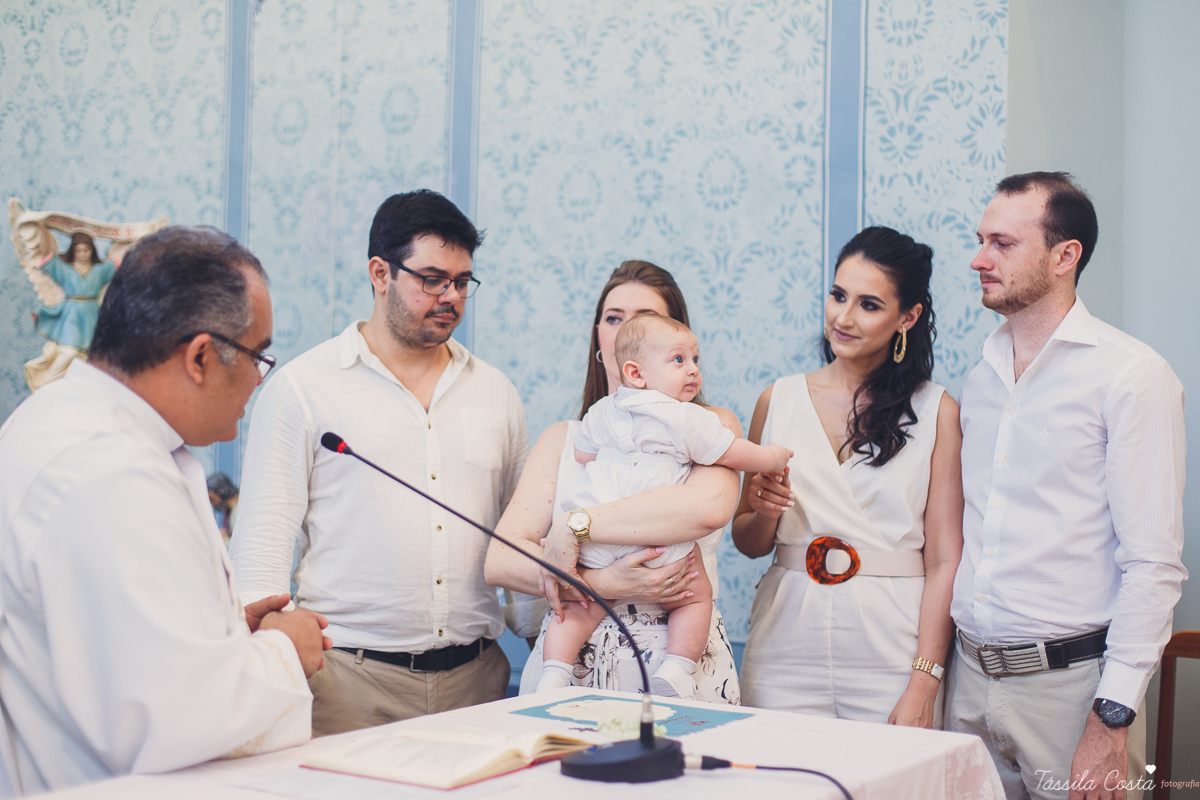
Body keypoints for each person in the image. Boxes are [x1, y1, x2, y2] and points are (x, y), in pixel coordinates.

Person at [0, 226, 330, 795]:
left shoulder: (62, 419)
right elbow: (167, 716)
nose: (260, 377)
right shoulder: (107, 473)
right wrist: (285, 649)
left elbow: (114, 643)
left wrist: (224, 627)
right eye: (258, 355)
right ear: (200, 356)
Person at [230, 189, 529, 736]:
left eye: (462, 283)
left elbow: (521, 538)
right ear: (380, 273)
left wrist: (547, 656)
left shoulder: (496, 392)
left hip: (479, 684)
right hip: (347, 684)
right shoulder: (303, 389)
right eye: (432, 279)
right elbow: (260, 557)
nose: (451, 297)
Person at [946, 172, 1186, 800]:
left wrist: (1112, 720)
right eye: (980, 241)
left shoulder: (1132, 376)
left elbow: (1153, 565)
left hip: (1072, 689)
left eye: (1001, 243)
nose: (978, 260)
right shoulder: (982, 375)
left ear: (1064, 256)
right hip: (966, 677)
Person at [733, 226, 963, 727]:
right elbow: (748, 542)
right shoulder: (778, 400)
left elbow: (945, 560)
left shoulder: (937, 411)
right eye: (838, 295)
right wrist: (766, 512)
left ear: (908, 317)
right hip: (785, 641)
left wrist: (925, 680)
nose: (843, 317)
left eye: (869, 305)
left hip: (891, 647)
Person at [485, 260, 743, 703]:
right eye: (612, 318)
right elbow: (502, 561)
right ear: (600, 342)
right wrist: (604, 584)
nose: (624, 328)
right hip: (570, 661)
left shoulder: (711, 427)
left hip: (677, 660)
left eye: (644, 319)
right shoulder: (563, 439)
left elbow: (706, 509)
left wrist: (574, 525)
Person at [537, 314, 791, 698]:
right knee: (697, 593)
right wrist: (772, 457)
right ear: (636, 372)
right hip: (658, 546)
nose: (692, 370)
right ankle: (678, 666)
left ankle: (554, 671)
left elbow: (582, 453)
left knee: (579, 607)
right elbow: (732, 452)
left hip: (596, 539)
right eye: (678, 360)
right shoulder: (688, 419)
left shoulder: (604, 410)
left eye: (695, 359)